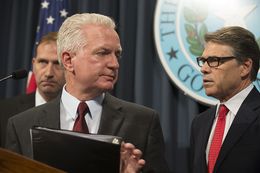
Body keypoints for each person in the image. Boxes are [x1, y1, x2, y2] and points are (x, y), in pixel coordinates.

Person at [5, 13, 169, 172]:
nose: (114, 64)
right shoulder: (20, 125)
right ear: (69, 61)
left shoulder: (143, 122)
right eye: (102, 53)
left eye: (117, 54)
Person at [190, 26, 260, 173]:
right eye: (203, 61)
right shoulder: (200, 123)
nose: (204, 69)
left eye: (214, 60)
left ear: (245, 67)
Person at [0, 32, 65, 147]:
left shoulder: (78, 112)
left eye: (57, 64)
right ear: (33, 65)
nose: (49, 73)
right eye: (43, 62)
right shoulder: (4, 111)